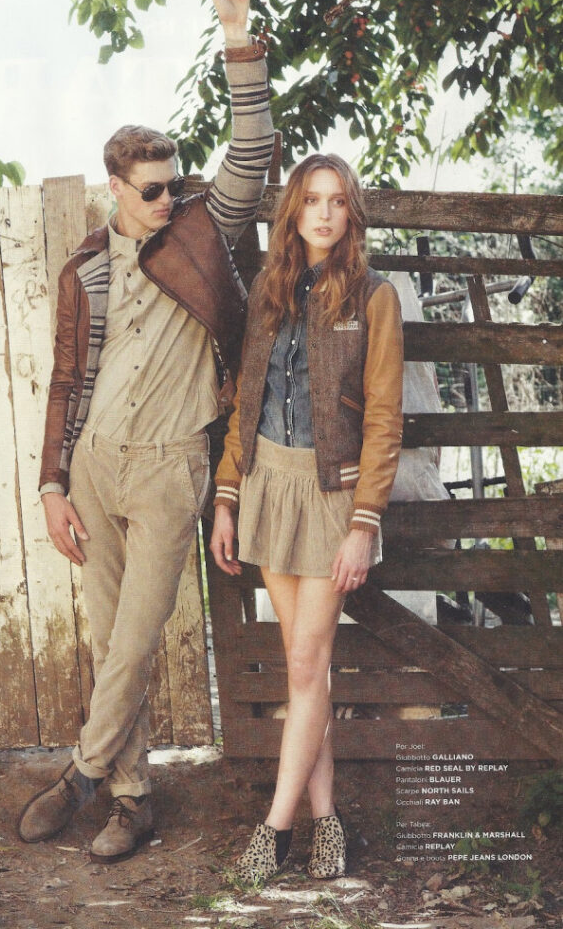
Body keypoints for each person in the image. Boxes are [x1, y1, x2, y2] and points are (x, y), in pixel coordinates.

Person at [17, 0, 274, 863]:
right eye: (152, 189)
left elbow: (252, 154)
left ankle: (79, 775)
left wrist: (236, 35)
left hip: (172, 463)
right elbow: (65, 380)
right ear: (116, 190)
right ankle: (132, 800)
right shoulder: (85, 268)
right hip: (96, 462)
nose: (169, 199)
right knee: (106, 636)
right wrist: (53, 483)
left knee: (135, 639)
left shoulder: (202, 226)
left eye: (174, 183)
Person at [210, 153, 403, 884]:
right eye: (312, 200)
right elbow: (245, 403)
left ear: (352, 214)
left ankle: (274, 830)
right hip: (269, 485)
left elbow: (384, 420)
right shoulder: (269, 290)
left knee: (303, 665)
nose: (324, 213)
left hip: (330, 497)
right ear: (292, 210)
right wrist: (227, 497)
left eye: (338, 201)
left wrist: (364, 523)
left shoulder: (374, 297)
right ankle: (329, 823)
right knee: (307, 669)